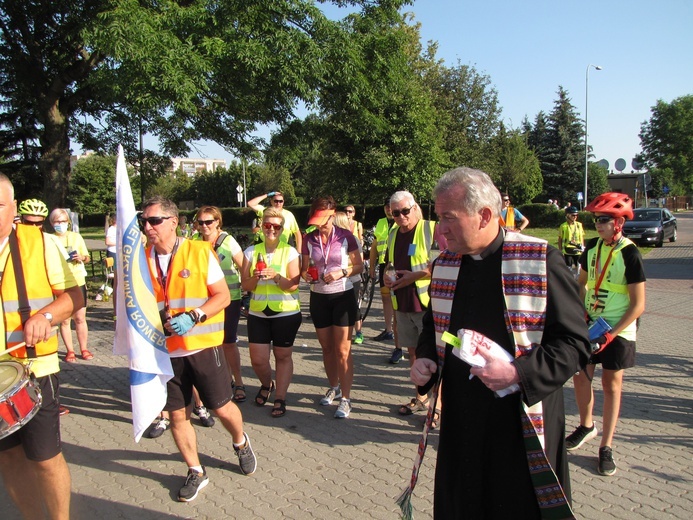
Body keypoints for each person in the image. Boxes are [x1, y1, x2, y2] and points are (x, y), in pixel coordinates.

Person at [409, 167, 590, 518]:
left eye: (448, 218)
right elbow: (436, 326)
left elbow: (574, 343)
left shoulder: (539, 260)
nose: (440, 229)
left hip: (520, 420)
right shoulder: (445, 265)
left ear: (485, 216)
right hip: (462, 418)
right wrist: (427, 359)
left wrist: (517, 373)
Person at [140, 195, 256, 502]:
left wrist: (194, 316)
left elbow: (223, 297)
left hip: (202, 346)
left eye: (154, 220)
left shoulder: (199, 252)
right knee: (178, 416)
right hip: (166, 351)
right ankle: (195, 470)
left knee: (221, 407)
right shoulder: (141, 258)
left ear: (173, 222)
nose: (148, 226)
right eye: (144, 221)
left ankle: (241, 441)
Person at [0, 180, 84, 520]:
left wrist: (46, 315)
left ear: (13, 206)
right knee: (8, 457)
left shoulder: (41, 243)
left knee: (46, 459)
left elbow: (75, 297)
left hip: (34, 370)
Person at [566, 192, 646, 477]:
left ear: (620, 222)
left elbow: (638, 305)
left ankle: (606, 446)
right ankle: (586, 426)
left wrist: (613, 334)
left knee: (612, 385)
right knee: (580, 375)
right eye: (596, 219)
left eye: (604, 220)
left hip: (620, 327)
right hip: (591, 323)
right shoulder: (591, 248)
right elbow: (581, 284)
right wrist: (577, 311)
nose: (598, 224)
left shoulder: (630, 253)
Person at [301, 197, 363, 419]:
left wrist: (342, 272)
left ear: (333, 213)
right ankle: (333, 387)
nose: (321, 224)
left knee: (342, 350)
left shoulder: (346, 236)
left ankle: (346, 398)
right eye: (317, 219)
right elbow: (304, 268)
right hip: (319, 297)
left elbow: (359, 265)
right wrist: (306, 274)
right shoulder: (309, 238)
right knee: (326, 348)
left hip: (343, 295)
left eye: (324, 219)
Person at [385, 191, 444, 419]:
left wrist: (416, 276)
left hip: (428, 304)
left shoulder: (432, 228)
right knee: (413, 352)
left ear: (415, 207)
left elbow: (449, 259)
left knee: (436, 356)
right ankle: (421, 397)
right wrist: (387, 277)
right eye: (396, 213)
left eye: (405, 211)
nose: (401, 217)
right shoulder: (392, 233)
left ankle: (437, 406)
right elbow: (389, 263)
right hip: (402, 302)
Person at [240, 207, 301, 418]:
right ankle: (267, 384)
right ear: (261, 227)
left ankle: (280, 397)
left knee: (283, 356)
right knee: (258, 360)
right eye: (267, 225)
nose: (271, 230)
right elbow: (245, 285)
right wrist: (256, 277)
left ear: (282, 229)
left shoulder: (289, 251)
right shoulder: (251, 251)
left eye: (276, 226)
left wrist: (276, 276)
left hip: (285, 313)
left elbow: (293, 285)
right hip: (258, 313)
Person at [193, 205, 247, 404]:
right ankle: (219, 383)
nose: (205, 226)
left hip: (229, 298)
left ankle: (238, 382)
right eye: (201, 222)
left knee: (228, 342)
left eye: (209, 222)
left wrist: (247, 291)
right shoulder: (194, 243)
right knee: (207, 343)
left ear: (217, 222)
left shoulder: (227, 241)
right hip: (204, 300)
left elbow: (244, 267)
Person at [49, 208, 93, 362]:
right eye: (56, 222)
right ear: (52, 223)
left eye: (62, 221)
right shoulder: (49, 239)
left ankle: (84, 348)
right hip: (60, 282)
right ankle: (70, 350)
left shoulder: (76, 237)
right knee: (65, 319)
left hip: (78, 280)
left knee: (80, 318)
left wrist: (81, 257)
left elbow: (87, 258)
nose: (60, 224)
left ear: (67, 222)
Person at [333, 211, 364, 344]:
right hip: (337, 281)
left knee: (353, 307)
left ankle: (358, 332)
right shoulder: (333, 239)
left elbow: (360, 261)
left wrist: (343, 268)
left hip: (352, 278)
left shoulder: (352, 238)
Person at [369, 198, 396, 342]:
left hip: (396, 266)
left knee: (396, 299)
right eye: (386, 206)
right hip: (383, 265)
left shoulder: (400, 222)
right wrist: (372, 266)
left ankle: (399, 332)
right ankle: (388, 330)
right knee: (385, 298)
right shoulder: (381, 222)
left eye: (390, 206)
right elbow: (374, 246)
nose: (388, 209)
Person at [558, 206, 585, 279]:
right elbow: (560, 239)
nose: (575, 217)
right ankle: (569, 279)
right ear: (567, 215)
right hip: (568, 250)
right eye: (573, 215)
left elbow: (581, 237)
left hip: (578, 250)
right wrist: (560, 250)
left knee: (579, 267)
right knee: (568, 267)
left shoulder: (579, 225)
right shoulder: (563, 226)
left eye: (576, 215)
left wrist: (582, 246)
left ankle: (578, 281)